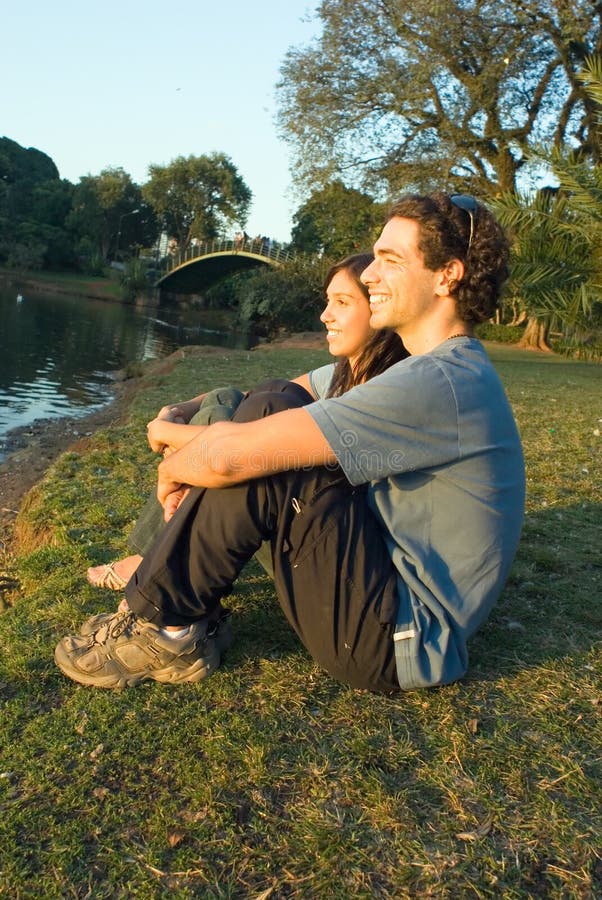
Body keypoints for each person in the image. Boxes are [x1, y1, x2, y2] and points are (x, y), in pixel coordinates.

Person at [55, 192, 525, 694]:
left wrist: (171, 470)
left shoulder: (441, 381)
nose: (369, 275)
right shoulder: (439, 370)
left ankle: (167, 631)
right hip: (380, 590)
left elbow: (232, 457)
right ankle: (183, 613)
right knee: (274, 400)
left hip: (396, 639)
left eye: (390, 260)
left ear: (446, 275)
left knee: (266, 425)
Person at [85, 253, 407, 590]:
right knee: (226, 400)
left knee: (233, 459)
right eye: (328, 302)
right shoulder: (337, 374)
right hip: (304, 521)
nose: (325, 316)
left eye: (342, 302)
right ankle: (166, 556)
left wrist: (169, 434)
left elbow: (248, 449)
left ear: (381, 306)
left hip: (337, 556)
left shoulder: (380, 394)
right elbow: (254, 398)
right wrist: (179, 407)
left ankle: (154, 562)